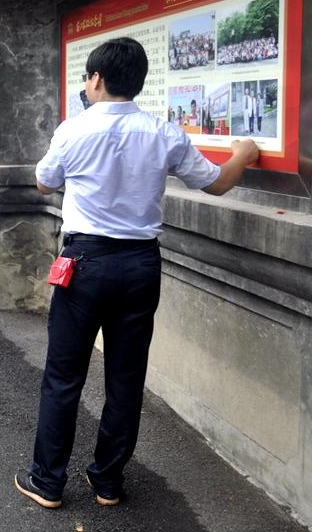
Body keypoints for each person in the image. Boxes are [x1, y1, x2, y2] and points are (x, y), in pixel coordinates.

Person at [14, 37, 260, 510]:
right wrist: (243, 154)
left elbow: (44, 182)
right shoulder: (164, 133)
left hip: (84, 264)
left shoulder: (74, 130)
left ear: (96, 79)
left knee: (64, 376)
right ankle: (108, 482)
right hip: (140, 266)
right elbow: (216, 182)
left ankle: (47, 481)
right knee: (126, 379)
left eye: (87, 77)